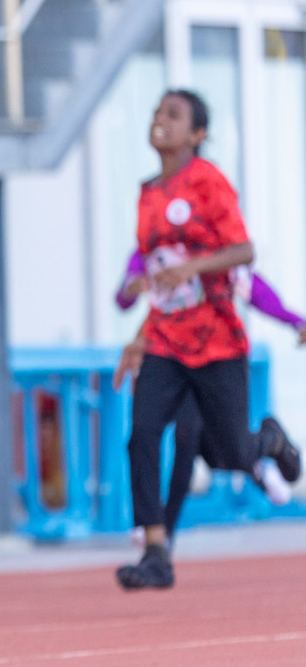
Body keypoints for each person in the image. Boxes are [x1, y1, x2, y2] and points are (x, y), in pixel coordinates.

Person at [112, 89, 301, 589]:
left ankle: (271, 440)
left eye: (172, 116)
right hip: (165, 342)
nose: (159, 121)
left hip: (217, 344)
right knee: (143, 435)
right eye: (155, 112)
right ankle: (156, 551)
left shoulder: (209, 182)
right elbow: (150, 265)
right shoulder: (148, 193)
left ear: (197, 135)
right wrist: (134, 297)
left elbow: (243, 251)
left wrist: (195, 267)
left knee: (233, 454)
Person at [115, 251, 306, 526]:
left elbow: (257, 292)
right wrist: (131, 289)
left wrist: (295, 320)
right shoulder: (154, 246)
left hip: (216, 364)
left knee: (205, 442)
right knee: (199, 448)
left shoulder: (211, 248)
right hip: (171, 363)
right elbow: (125, 299)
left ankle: (267, 446)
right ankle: (157, 536)